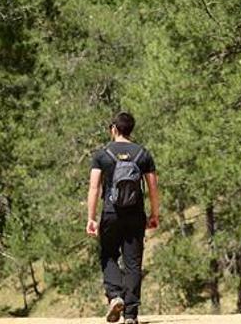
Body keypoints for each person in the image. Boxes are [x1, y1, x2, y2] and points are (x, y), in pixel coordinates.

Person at [86, 112, 160, 324]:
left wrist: (91, 218)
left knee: (108, 255)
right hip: (135, 215)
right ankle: (131, 314)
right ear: (130, 130)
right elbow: (153, 189)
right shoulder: (143, 154)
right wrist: (154, 214)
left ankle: (115, 295)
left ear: (114, 129)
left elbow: (94, 187)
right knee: (133, 262)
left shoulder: (102, 155)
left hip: (111, 213)